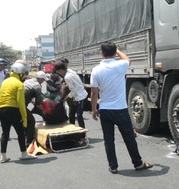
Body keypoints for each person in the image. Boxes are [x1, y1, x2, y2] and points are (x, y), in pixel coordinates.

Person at [90, 42, 152, 174]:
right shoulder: (120, 65)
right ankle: (138, 163)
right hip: (120, 110)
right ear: (114, 53)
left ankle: (113, 166)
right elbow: (127, 59)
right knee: (129, 138)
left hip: (105, 110)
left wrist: (94, 109)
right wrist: (118, 50)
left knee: (108, 139)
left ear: (101, 53)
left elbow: (94, 92)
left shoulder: (96, 70)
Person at [0, 61, 37, 163]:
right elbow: (21, 102)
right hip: (12, 109)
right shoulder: (19, 84)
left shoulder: (4, 81)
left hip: (1, 109)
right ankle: (24, 154)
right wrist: (24, 119)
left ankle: (3, 156)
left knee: (5, 133)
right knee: (20, 132)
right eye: (23, 74)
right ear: (20, 74)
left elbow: (0, 96)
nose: (24, 76)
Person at [54, 62, 88, 129]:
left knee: (79, 115)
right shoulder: (70, 71)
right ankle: (72, 130)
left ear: (61, 70)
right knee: (71, 114)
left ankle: (82, 135)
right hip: (76, 97)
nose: (58, 73)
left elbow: (74, 91)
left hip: (81, 96)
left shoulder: (67, 77)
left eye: (58, 72)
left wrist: (67, 97)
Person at [23, 71, 47, 146]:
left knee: (24, 119)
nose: (43, 82)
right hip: (21, 105)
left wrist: (32, 102)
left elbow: (26, 92)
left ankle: (25, 134)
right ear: (40, 79)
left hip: (17, 102)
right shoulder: (37, 86)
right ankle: (29, 142)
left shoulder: (28, 81)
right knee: (31, 121)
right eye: (43, 80)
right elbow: (38, 103)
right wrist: (45, 110)